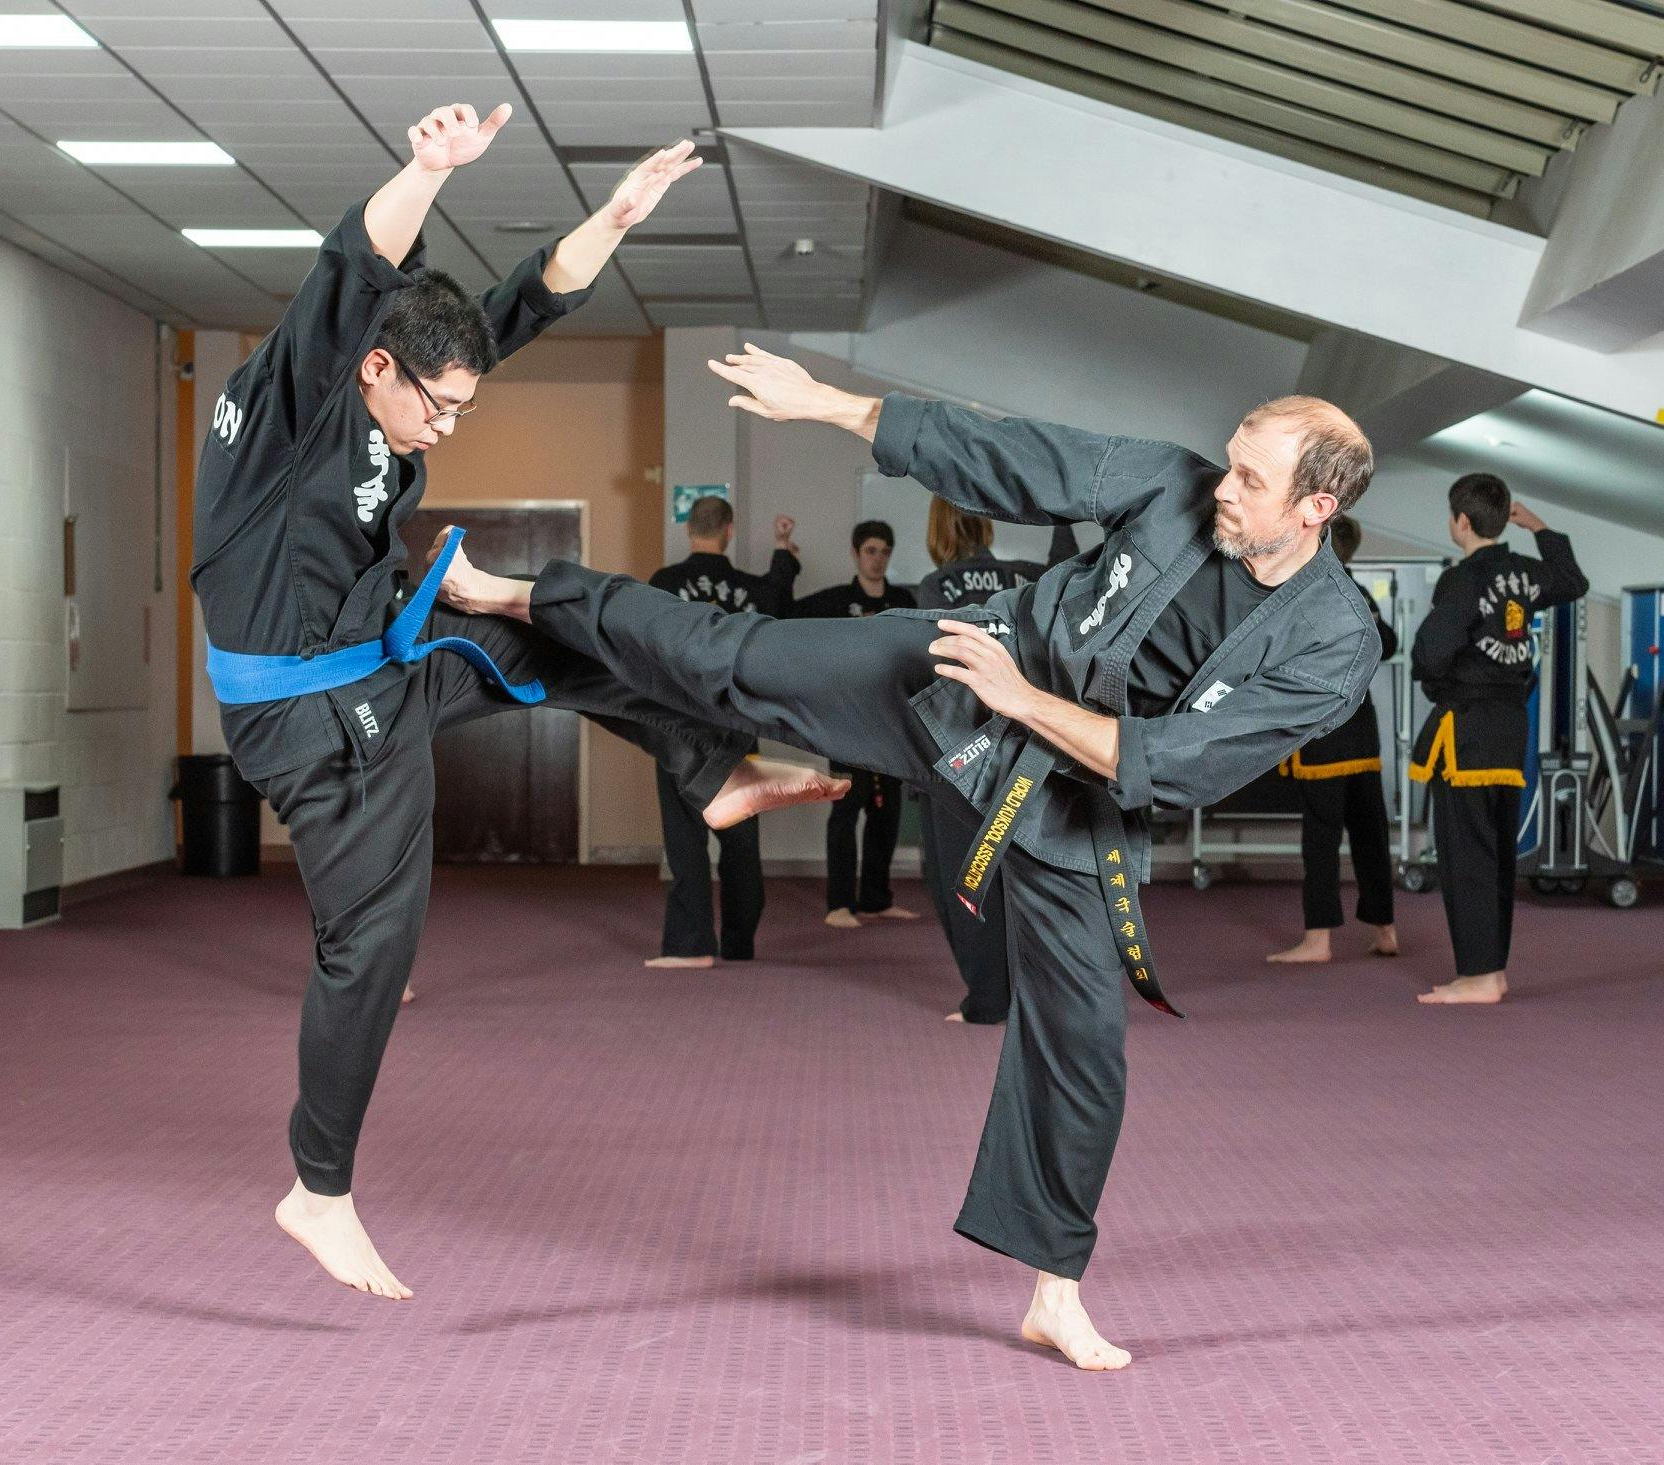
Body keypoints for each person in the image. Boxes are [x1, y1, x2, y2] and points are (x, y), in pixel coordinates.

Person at [429, 342, 1381, 1370]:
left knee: (1085, 1049)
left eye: (1250, 478)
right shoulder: (1171, 485)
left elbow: (1180, 765)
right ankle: (519, 600)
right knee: (731, 662)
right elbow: (1011, 457)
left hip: (1075, 796)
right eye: (1232, 460)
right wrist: (831, 406)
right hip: (968, 669)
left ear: (1315, 510)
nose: (1223, 486)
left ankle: (1054, 1290)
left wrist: (1029, 704)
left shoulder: (1333, 639)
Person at [190, 109, 842, 1301]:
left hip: (387, 655)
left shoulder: (413, 360)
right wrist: (427, 169)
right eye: (436, 407)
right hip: (310, 724)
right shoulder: (288, 406)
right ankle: (317, 1187)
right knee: (373, 939)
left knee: (572, 631)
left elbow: (521, 301)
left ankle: (711, 772)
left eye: (461, 411)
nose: (446, 427)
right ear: (371, 366)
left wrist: (611, 218)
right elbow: (355, 269)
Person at [1410, 477, 1588, 1005]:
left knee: (1465, 855)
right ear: (1503, 518)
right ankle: (1491, 970)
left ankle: (1479, 976)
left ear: (1460, 522)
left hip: (1465, 732)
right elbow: (1573, 581)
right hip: (1511, 727)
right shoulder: (1527, 573)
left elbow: (1429, 654)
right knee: (1496, 856)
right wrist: (1539, 528)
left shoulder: (1462, 580)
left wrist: (1444, 687)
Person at [914, 500, 1077, 1023]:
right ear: (985, 523)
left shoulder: (934, 588)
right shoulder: (1023, 578)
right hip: (1027, 745)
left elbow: (934, 675)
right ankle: (1040, 994)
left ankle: (987, 999)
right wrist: (1061, 523)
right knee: (1023, 874)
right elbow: (1067, 589)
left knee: (959, 875)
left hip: (958, 753)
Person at [646, 500, 802, 969]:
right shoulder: (752, 590)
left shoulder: (663, 585)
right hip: (736, 726)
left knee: (685, 838)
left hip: (677, 724)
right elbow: (778, 602)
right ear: (730, 531)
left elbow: (641, 644)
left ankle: (690, 945)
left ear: (690, 529)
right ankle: (739, 944)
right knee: (740, 840)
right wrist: (782, 552)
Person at [1267, 514, 1399, 964]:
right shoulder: (1359, 594)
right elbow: (1391, 642)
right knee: (1370, 834)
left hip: (1323, 731)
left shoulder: (1310, 593)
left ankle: (1318, 939)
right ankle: (1385, 929)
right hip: (1362, 733)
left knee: (1321, 839)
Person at [793, 521, 920, 928]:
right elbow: (784, 614)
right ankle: (839, 904)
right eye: (870, 550)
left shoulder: (903, 601)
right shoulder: (834, 601)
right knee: (846, 811)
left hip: (891, 725)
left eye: (884, 551)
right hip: (847, 725)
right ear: (854, 553)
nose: (877, 558)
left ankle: (877, 898)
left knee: (887, 813)